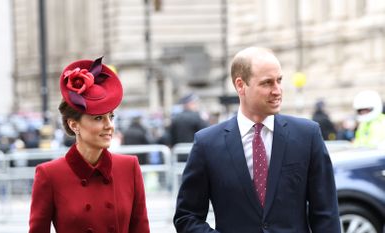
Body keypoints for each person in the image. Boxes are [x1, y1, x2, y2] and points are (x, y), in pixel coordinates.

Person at [173, 47, 341, 233]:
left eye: (279, 80)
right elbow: (187, 216)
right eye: (267, 83)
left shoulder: (307, 135)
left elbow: (326, 214)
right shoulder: (207, 144)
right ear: (240, 85)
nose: (277, 91)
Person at [29, 57, 150, 233]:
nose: (109, 125)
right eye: (98, 118)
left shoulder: (129, 167)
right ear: (74, 125)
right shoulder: (50, 174)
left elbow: (141, 229)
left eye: (111, 116)